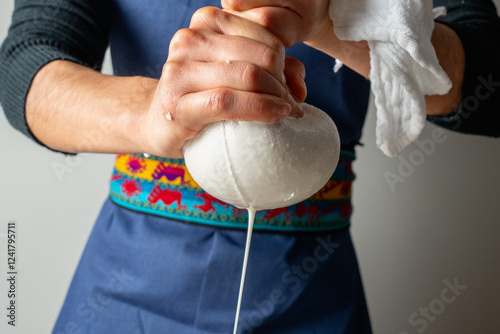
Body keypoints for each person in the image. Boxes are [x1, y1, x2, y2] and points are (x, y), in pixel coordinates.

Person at [1, 0, 499, 333]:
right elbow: (26, 63)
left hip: (314, 293)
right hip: (128, 292)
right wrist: (150, 111)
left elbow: (489, 80)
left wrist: (337, 19)